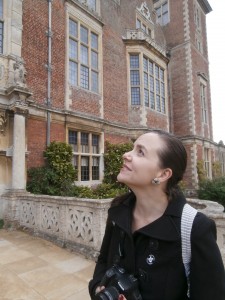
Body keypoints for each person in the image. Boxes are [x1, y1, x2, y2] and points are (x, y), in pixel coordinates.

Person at [89, 129, 225, 300]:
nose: (126, 155)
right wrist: (98, 290)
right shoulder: (118, 210)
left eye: (140, 152)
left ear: (163, 174)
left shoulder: (195, 228)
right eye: (132, 148)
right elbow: (103, 262)